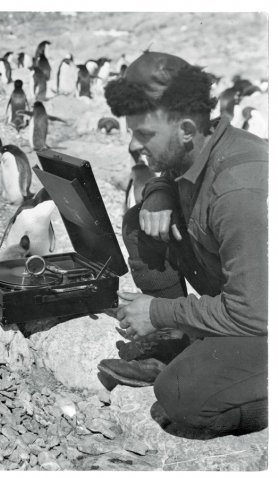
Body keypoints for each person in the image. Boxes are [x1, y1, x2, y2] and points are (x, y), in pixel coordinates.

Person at [96, 51, 268, 437]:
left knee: (183, 395)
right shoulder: (200, 145)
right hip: (247, 304)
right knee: (139, 222)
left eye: (144, 135)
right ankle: (181, 345)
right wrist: (158, 191)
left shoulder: (240, 189)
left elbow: (256, 314)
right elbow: (174, 173)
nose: (133, 146)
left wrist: (159, 312)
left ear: (187, 129)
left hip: (262, 319)